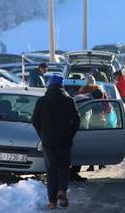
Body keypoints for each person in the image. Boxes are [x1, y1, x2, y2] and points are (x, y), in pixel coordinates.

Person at [32, 75, 80, 209]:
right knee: (64, 168)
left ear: (49, 86)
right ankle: (62, 191)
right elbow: (77, 121)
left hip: (48, 142)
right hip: (64, 141)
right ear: (61, 86)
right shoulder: (69, 100)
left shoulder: (42, 101)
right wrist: (70, 135)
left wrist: (42, 134)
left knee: (51, 170)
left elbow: (35, 120)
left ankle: (52, 202)